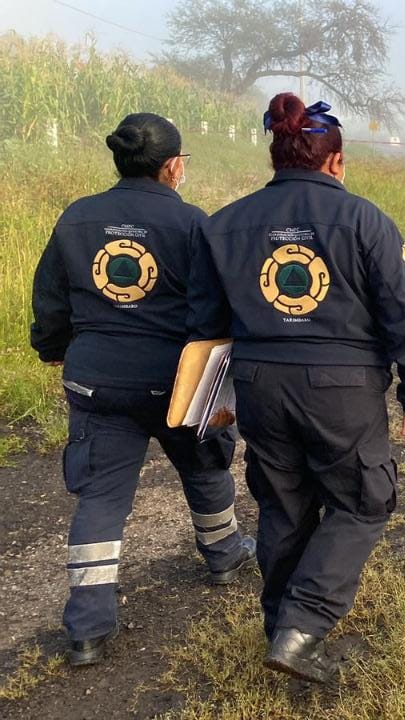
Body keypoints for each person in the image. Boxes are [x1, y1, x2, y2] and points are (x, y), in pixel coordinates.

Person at [189, 93, 405, 684]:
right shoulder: (365, 219)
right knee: (363, 502)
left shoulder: (224, 224)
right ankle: (302, 628)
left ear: (277, 156)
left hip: (259, 384)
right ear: (336, 161)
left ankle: (280, 627)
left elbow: (204, 323)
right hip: (342, 389)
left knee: (283, 504)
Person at [29, 113, 255, 667]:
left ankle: (86, 628)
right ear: (173, 167)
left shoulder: (77, 218)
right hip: (176, 381)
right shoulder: (194, 223)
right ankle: (224, 555)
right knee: (204, 464)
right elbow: (214, 306)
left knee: (101, 496)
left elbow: (51, 300)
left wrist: (53, 347)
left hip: (97, 381)